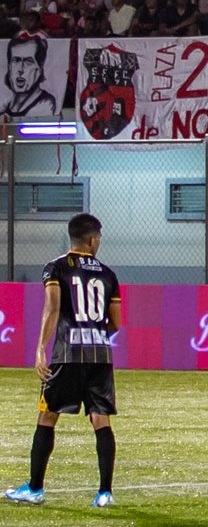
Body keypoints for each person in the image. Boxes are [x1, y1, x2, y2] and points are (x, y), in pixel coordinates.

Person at [7, 214, 120, 508]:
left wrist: (40, 349)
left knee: (47, 416)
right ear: (93, 239)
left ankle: (34, 489)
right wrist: (94, 332)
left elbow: (53, 309)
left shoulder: (56, 267)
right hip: (100, 355)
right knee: (100, 419)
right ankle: (104, 493)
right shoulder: (108, 274)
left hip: (67, 355)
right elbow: (116, 322)